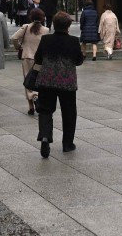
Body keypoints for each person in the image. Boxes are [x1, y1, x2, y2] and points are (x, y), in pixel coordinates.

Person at [33, 11, 85, 157]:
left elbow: (38, 58)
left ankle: (45, 136)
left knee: (45, 110)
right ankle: (67, 144)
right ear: (68, 26)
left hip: (47, 81)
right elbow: (79, 61)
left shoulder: (46, 39)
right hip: (67, 83)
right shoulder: (73, 41)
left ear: (54, 24)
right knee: (69, 112)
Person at [12, 8, 47, 115]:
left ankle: (31, 105)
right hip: (40, 59)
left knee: (28, 80)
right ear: (42, 17)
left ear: (31, 17)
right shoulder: (46, 30)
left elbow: (14, 38)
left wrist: (19, 47)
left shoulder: (26, 27)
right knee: (39, 80)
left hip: (27, 56)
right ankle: (36, 96)